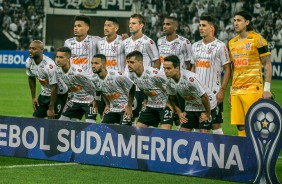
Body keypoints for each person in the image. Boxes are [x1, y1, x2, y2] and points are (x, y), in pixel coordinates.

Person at [228, 11, 272, 137]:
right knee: (240, 124)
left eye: (239, 20)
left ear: (247, 22)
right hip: (237, 90)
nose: (236, 23)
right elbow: (233, 68)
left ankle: (256, 153)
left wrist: (267, 89)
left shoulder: (257, 39)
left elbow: (267, 64)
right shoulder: (232, 42)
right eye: (235, 20)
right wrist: (231, 90)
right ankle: (245, 153)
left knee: (254, 123)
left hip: (252, 89)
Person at [191, 15, 231, 135]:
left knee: (215, 124)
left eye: (204, 25)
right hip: (198, 92)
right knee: (199, 123)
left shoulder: (220, 46)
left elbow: (227, 69)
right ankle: (201, 152)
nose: (201, 28)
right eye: (200, 25)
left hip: (213, 92)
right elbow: (193, 67)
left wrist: (222, 90)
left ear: (211, 28)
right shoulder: (195, 46)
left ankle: (223, 151)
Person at [163, 55, 217, 133]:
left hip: (208, 104)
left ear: (177, 68)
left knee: (204, 133)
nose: (165, 71)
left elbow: (204, 97)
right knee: (183, 133)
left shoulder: (190, 79)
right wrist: (179, 112)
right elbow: (172, 97)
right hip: (191, 105)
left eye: (168, 68)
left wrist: (207, 114)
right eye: (164, 68)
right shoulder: (168, 80)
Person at [127, 51, 173, 129]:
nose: (129, 65)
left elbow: (172, 84)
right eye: (128, 62)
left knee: (165, 132)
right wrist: (129, 106)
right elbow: (141, 87)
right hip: (150, 105)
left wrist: (169, 101)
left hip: (164, 105)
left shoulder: (154, 74)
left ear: (140, 62)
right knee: (138, 130)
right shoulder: (131, 74)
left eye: (132, 62)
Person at [26, 40, 68, 119]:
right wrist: (33, 97)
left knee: (53, 120)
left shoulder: (49, 65)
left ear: (41, 50)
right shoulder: (29, 61)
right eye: (30, 48)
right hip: (44, 94)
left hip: (59, 94)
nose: (30, 51)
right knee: (35, 119)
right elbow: (31, 78)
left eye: (34, 49)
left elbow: (54, 86)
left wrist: (51, 108)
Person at [55, 47, 98, 123]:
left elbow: (95, 84)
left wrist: (96, 100)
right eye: (57, 57)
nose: (58, 59)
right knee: (61, 122)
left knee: (90, 124)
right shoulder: (58, 70)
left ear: (68, 59)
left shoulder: (77, 72)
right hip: (75, 100)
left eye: (61, 57)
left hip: (89, 100)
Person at [91, 54, 136, 126]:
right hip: (113, 107)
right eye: (92, 63)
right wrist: (107, 104)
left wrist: (129, 106)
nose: (93, 66)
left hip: (126, 105)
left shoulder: (116, 75)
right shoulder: (94, 79)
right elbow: (100, 90)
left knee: (125, 131)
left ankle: (132, 123)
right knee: (103, 128)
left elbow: (132, 86)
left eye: (96, 63)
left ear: (103, 65)